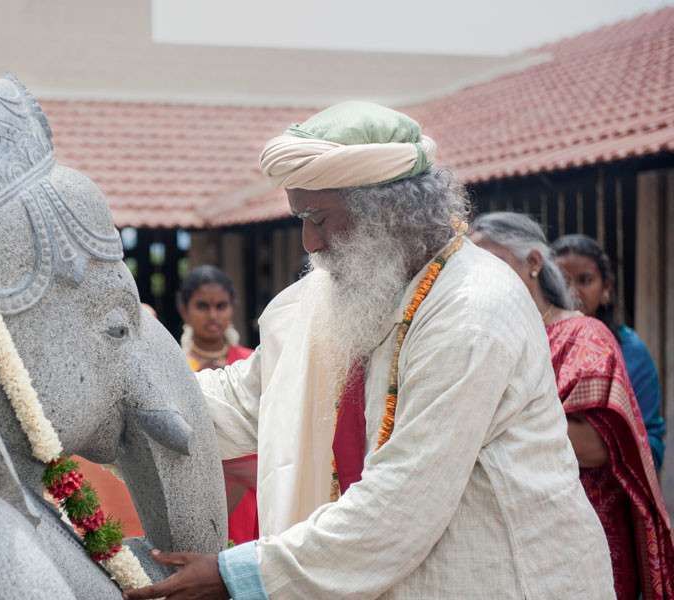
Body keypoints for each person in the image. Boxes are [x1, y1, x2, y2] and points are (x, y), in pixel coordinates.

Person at [125, 101, 614, 600]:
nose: (308, 241)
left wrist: (238, 575)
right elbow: (247, 397)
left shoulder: (472, 310)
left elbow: (403, 503)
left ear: (391, 213)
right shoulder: (343, 295)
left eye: (320, 217)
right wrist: (125, 393)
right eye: (300, 217)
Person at [470, 212, 673, 600]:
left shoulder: (583, 334)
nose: (480, 277)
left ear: (532, 263)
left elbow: (598, 447)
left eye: (491, 263)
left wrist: (484, 419)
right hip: (511, 537)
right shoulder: (489, 339)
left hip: (581, 538)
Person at [552, 233, 666, 470]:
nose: (572, 292)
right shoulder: (539, 343)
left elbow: (650, 441)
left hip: (609, 490)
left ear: (606, 289)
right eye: (563, 281)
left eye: (585, 280)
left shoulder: (629, 351)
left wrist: (605, 445)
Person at [177, 265, 257, 544]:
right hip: (196, 490)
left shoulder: (251, 365)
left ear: (232, 308)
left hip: (250, 494)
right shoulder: (174, 368)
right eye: (202, 306)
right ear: (184, 309)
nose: (213, 315)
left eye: (221, 306)